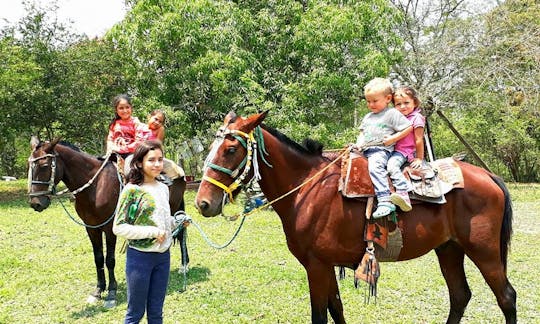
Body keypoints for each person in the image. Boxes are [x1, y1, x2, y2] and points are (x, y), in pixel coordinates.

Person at [113, 140, 181, 324]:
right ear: (140, 162)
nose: (157, 164)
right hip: (139, 259)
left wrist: (177, 222)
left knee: (156, 312)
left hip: (163, 258)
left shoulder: (163, 188)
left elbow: (164, 222)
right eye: (151, 160)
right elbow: (118, 227)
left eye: (160, 159)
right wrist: (151, 232)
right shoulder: (132, 190)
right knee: (135, 314)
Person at [354, 78, 412, 218]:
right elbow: (362, 134)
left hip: (380, 151)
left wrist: (393, 139)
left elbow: (408, 127)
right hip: (365, 150)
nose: (371, 104)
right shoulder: (367, 117)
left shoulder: (391, 113)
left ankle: (385, 200)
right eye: (368, 101)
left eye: (374, 101)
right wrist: (357, 145)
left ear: (387, 98)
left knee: (375, 167)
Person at [388, 86, 426, 212]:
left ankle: (403, 192)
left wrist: (419, 158)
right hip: (392, 150)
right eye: (398, 104)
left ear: (414, 102)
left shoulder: (417, 118)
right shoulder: (397, 118)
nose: (403, 107)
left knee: (392, 166)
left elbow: (419, 140)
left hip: (405, 151)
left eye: (406, 103)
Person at [106, 94, 146, 158]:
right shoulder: (114, 124)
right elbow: (110, 140)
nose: (125, 111)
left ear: (131, 108)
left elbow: (139, 142)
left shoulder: (135, 122)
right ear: (116, 110)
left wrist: (123, 149)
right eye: (121, 108)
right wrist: (110, 149)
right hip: (115, 153)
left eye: (127, 107)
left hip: (131, 154)